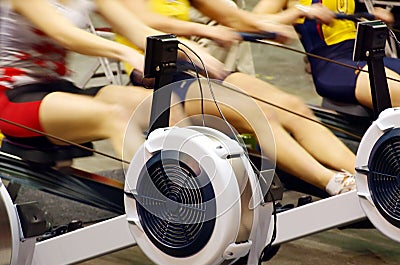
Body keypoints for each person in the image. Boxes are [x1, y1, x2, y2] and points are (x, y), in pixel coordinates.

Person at [113, 0, 357, 196]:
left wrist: (276, 23)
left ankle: (364, 172)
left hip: (198, 65)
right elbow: (144, 22)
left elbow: (233, 18)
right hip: (157, 75)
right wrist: (204, 31)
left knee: (292, 107)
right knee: (260, 115)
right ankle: (332, 181)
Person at [0, 0, 179, 162]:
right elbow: (64, 34)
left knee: (165, 103)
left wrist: (203, 54)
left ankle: (198, 186)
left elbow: (140, 32)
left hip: (58, 90)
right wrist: (125, 52)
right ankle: (151, 195)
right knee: (115, 116)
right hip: (13, 98)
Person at [253, 0, 400, 109]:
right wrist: (300, 11)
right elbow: (254, 21)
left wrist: (374, 15)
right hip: (333, 67)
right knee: (395, 90)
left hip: (362, 58)